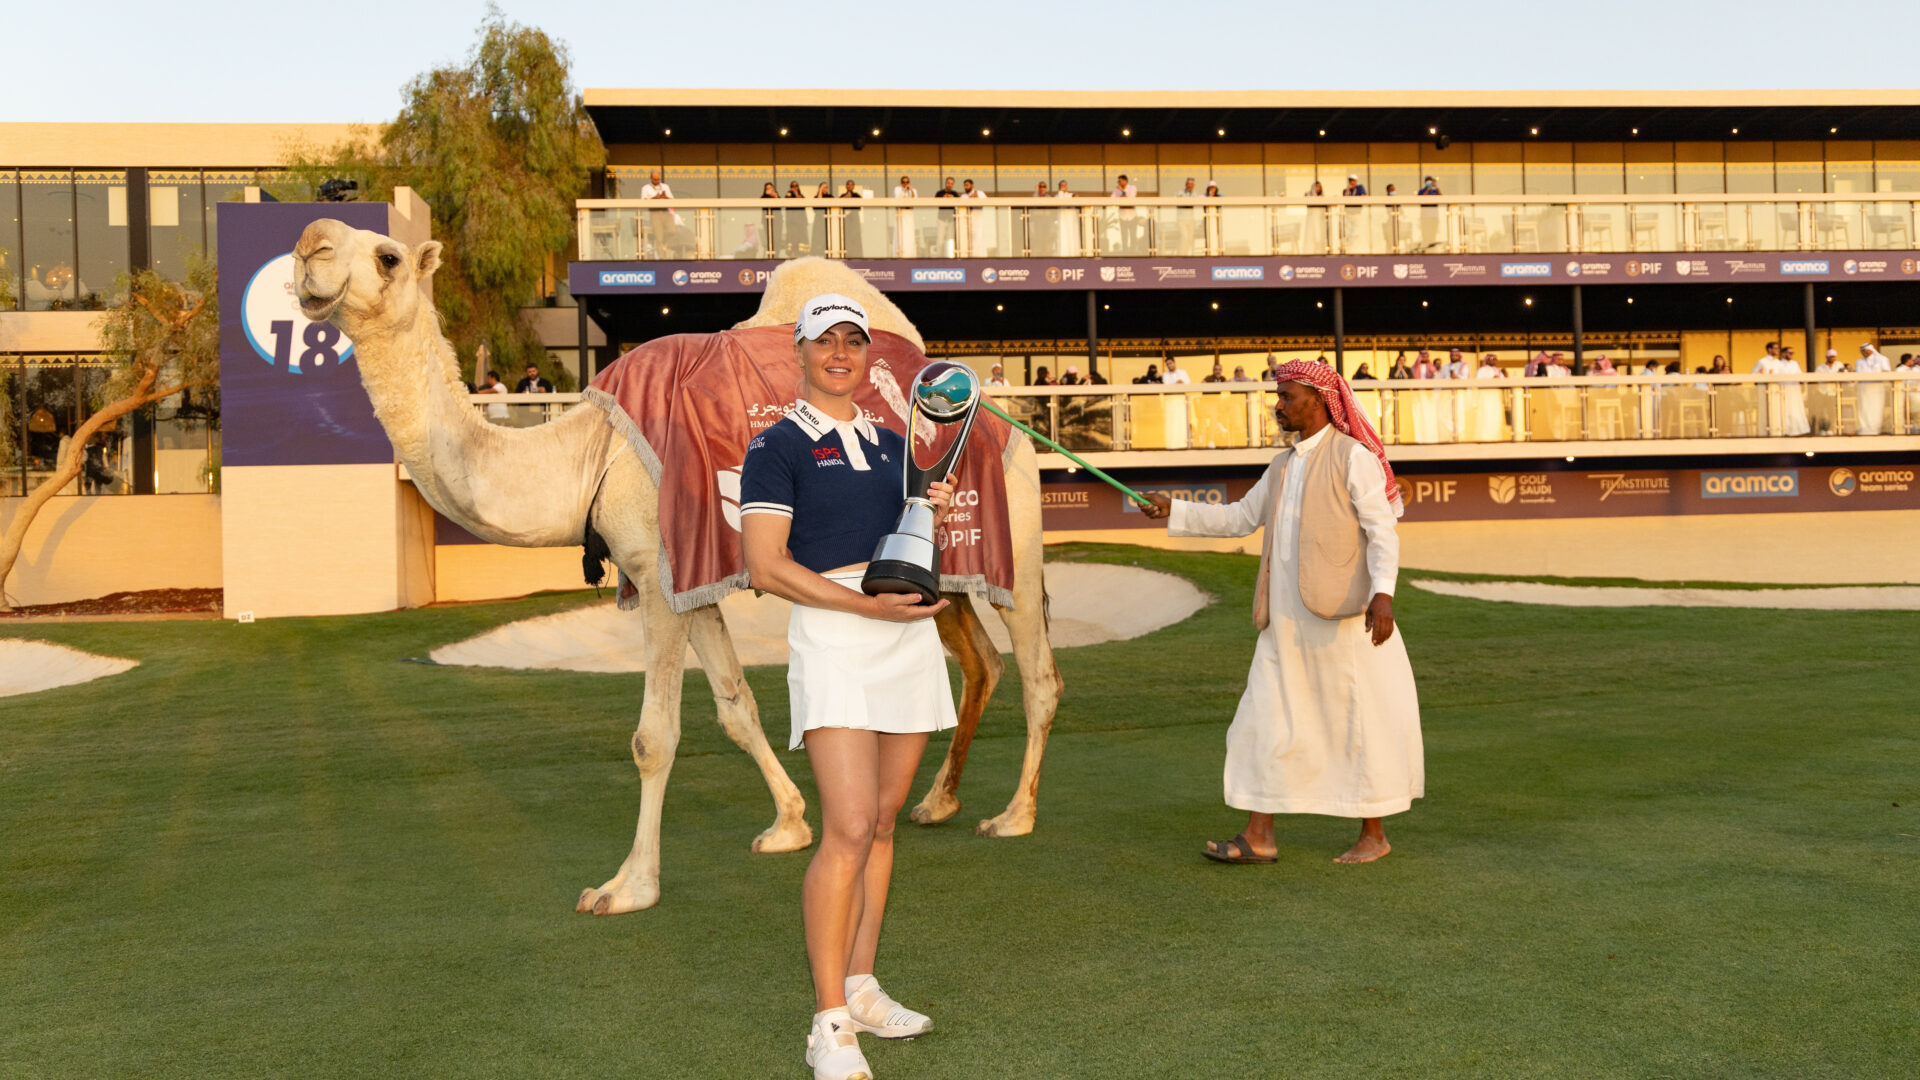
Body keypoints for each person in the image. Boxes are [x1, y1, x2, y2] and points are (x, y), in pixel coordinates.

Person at [739, 294, 957, 1080]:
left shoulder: (898, 443)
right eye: (824, 340)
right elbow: (766, 566)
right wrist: (864, 603)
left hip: (905, 637)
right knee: (849, 826)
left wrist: (925, 560)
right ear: (798, 352)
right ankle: (828, 1023)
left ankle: (862, 986)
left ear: (870, 357)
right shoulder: (777, 446)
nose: (840, 352)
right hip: (835, 637)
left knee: (887, 822)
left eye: (852, 341)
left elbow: (906, 538)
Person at [1139, 362, 1421, 865]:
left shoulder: (1352, 457)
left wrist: (1384, 595)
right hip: (1282, 626)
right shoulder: (1281, 465)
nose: (1279, 405)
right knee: (1259, 721)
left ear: (1318, 399)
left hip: (1342, 625)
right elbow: (1239, 519)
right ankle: (1259, 836)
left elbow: (1382, 532)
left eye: (1287, 396)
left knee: (1356, 722)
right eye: (1279, 397)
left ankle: (1373, 835)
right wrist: (1173, 509)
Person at [1856, 342, 1893, 435]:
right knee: (1864, 408)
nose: (1864, 353)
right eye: (1862, 351)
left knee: (1876, 408)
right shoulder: (1859, 361)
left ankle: (1875, 430)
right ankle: (1864, 430)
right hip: (1863, 389)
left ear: (1871, 350)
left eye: (1866, 351)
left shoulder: (1881, 359)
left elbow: (1886, 372)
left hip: (1877, 388)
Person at [1112, 173, 1141, 254]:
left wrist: (1122, 191)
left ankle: (1132, 252)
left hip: (1132, 215)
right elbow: (1112, 200)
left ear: (1125, 181)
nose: (1119, 183)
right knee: (1124, 236)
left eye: (1120, 181)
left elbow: (1130, 199)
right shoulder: (1116, 190)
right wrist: (1120, 194)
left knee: (1133, 235)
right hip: (1122, 215)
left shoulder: (1132, 188)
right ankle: (1125, 252)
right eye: (1118, 181)